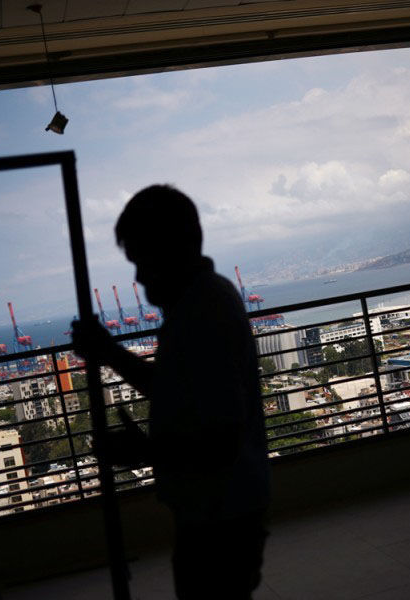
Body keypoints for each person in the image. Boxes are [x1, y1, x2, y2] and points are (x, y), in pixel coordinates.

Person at [71, 184, 271, 599]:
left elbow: (221, 439)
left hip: (221, 518)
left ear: (169, 251)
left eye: (142, 260)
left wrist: (145, 452)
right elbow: (175, 389)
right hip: (220, 510)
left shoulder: (204, 311)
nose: (139, 277)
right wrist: (110, 352)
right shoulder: (199, 303)